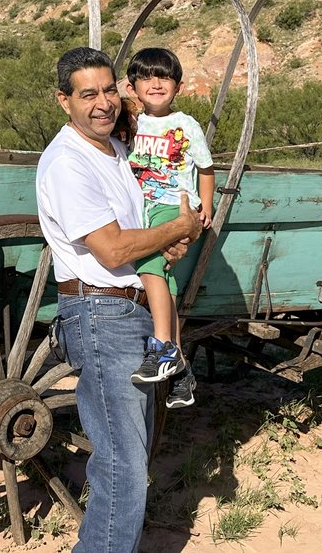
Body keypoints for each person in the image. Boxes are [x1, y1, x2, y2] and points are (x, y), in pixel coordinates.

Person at [36, 47, 202, 553]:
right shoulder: (68, 162)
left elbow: (138, 234)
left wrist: (166, 239)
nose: (104, 103)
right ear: (64, 101)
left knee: (128, 456)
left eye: (110, 90)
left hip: (129, 312)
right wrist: (181, 226)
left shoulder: (116, 154)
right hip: (101, 314)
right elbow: (111, 249)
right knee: (123, 463)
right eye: (88, 94)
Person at [125, 47, 215, 409]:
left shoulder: (186, 125)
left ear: (178, 85)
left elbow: (205, 169)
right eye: (146, 77)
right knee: (166, 280)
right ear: (133, 87)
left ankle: (162, 347)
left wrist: (204, 206)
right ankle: (181, 370)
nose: (156, 83)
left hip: (174, 207)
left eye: (164, 77)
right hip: (140, 207)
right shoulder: (130, 122)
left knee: (149, 264)